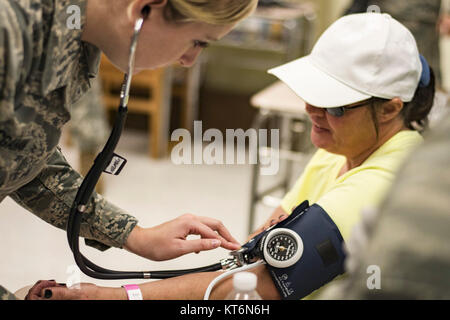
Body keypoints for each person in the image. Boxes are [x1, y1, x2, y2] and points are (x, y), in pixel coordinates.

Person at [28, 12, 437, 300]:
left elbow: (261, 287)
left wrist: (111, 297)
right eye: (313, 94)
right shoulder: (343, 146)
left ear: (390, 108)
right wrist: (140, 240)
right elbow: (264, 246)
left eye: (335, 106)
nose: (313, 110)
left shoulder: (383, 181)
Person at [0, 0, 259, 300]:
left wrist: (135, 236)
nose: (189, 59)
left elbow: (27, 157)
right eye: (197, 41)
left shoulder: (77, 39)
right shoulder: (9, 35)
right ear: (143, 9)